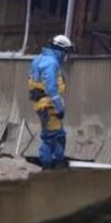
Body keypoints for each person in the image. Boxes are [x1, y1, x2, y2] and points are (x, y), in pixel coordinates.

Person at [28, 35, 73, 170]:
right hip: (49, 105)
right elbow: (51, 88)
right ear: (61, 50)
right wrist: (60, 108)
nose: (67, 56)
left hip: (42, 104)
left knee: (55, 135)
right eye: (67, 52)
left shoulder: (39, 59)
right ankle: (49, 166)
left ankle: (53, 163)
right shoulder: (51, 63)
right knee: (54, 137)